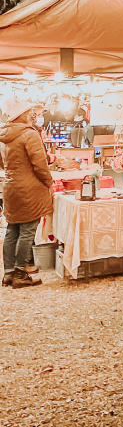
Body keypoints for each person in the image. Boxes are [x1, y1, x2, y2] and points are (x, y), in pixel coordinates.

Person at [0, 101, 54, 288]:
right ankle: (20, 273)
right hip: (29, 189)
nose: (33, 115)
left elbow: (2, 164)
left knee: (12, 229)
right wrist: (49, 182)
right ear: (21, 115)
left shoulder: (4, 135)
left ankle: (8, 273)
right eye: (30, 112)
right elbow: (40, 165)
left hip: (11, 187)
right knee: (27, 230)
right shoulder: (29, 134)